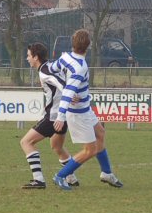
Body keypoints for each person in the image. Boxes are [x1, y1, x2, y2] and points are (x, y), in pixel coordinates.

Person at [49, 29, 123, 191]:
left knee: (100, 133)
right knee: (90, 150)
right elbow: (68, 91)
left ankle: (106, 173)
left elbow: (53, 69)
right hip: (77, 113)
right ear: (88, 46)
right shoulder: (80, 67)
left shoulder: (65, 57)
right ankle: (60, 176)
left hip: (85, 109)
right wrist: (61, 117)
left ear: (72, 43)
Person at [20, 43, 78, 189]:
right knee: (57, 146)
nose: (27, 58)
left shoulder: (45, 72)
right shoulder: (52, 67)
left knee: (26, 142)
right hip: (62, 116)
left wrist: (69, 92)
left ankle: (39, 180)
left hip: (53, 118)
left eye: (28, 55)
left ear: (35, 56)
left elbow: (59, 83)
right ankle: (71, 177)